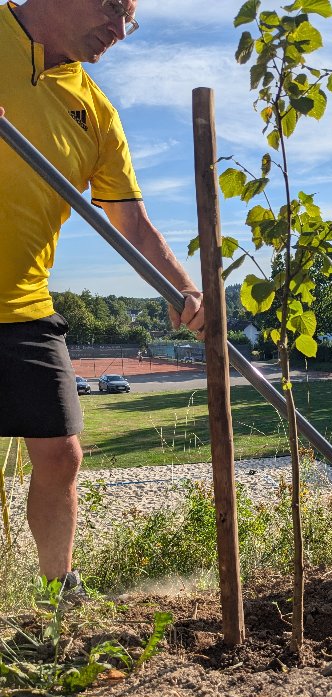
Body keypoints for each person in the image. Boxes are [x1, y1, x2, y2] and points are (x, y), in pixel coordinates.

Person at [0, 0, 204, 597]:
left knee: (62, 454)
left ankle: (57, 598)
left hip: (23, 305)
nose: (119, 30)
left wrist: (183, 287)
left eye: (128, 19)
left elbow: (131, 224)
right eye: (114, 8)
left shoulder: (96, 112)